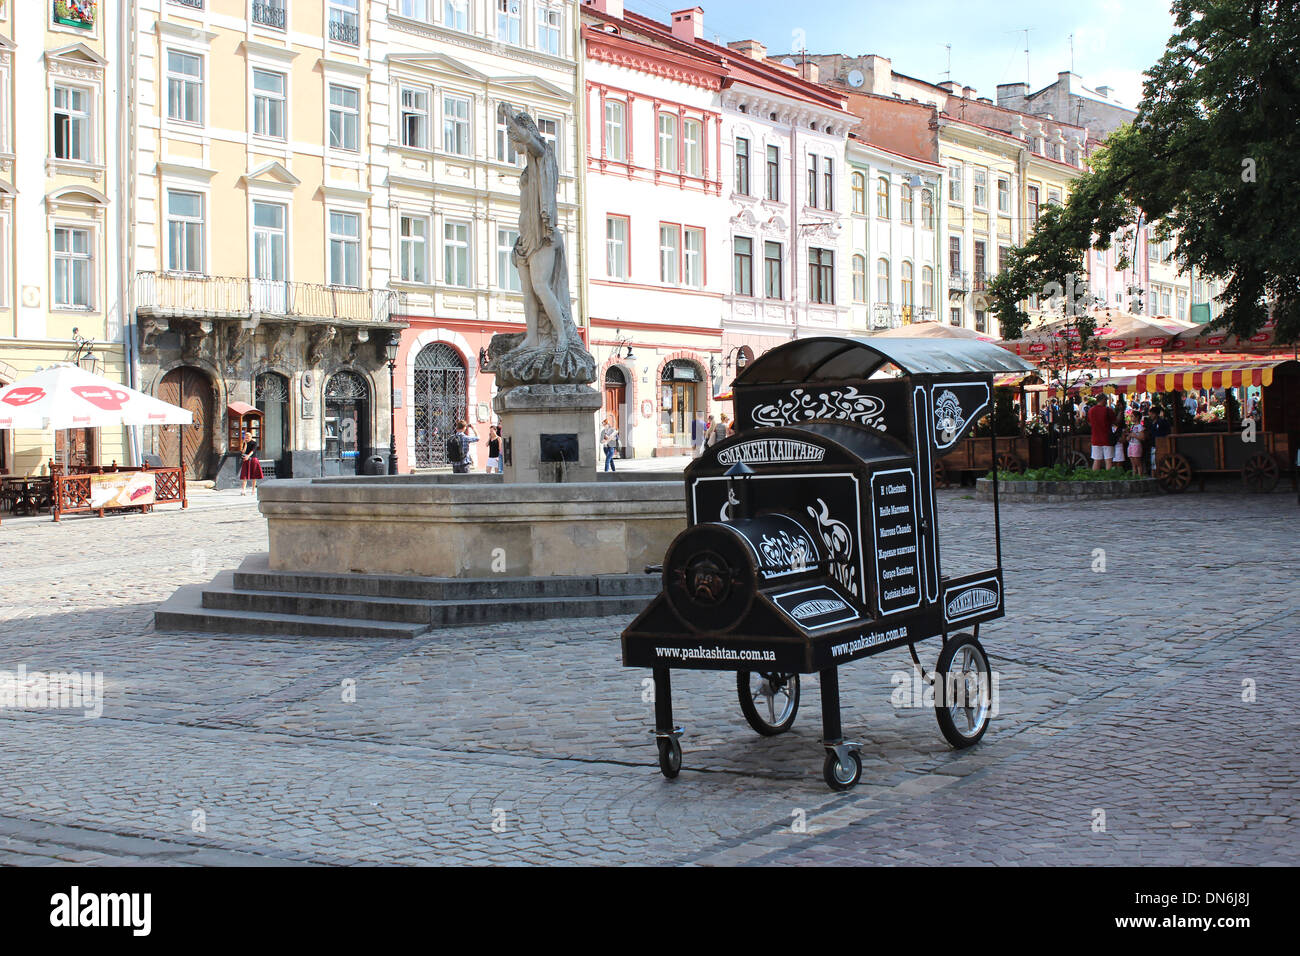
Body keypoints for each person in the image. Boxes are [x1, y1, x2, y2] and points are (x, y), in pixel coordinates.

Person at [1087, 397, 1115, 471]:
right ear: (1103, 400)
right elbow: (1115, 421)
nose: (1106, 402)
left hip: (1095, 438)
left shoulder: (1091, 410)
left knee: (1096, 460)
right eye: (1106, 400)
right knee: (1108, 461)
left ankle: (1095, 478)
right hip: (1107, 438)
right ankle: (1108, 479)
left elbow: (1089, 423)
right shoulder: (1107, 410)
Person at [239, 429, 263, 495]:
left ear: (251, 437)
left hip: (253, 459)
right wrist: (245, 444)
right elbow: (243, 451)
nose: (247, 438)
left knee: (254, 475)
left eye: (248, 437)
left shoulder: (254, 443)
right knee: (244, 475)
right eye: (246, 437)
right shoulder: (244, 443)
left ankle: (253, 490)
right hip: (246, 460)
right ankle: (243, 490)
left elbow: (253, 451)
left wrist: (248, 456)